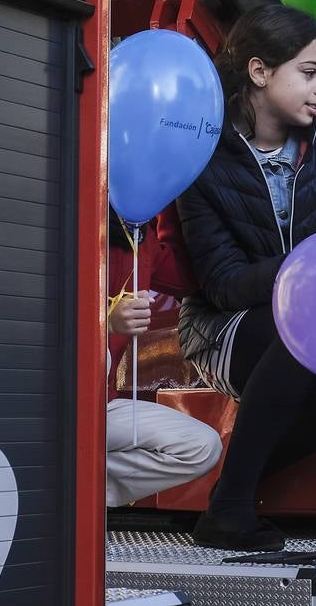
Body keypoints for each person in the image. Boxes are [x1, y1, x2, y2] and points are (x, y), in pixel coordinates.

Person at [176, 4, 316, 551]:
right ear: (260, 72)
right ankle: (233, 512)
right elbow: (221, 283)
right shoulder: (204, 159)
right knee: (300, 331)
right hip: (225, 329)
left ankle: (229, 495)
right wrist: (305, 276)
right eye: (308, 73)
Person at [105, 213, 222, 509]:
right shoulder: (72, 223)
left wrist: (175, 211)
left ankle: (75, 488)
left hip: (102, 405)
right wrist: (103, 321)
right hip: (47, 408)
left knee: (202, 448)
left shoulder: (141, 239)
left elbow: (189, 278)